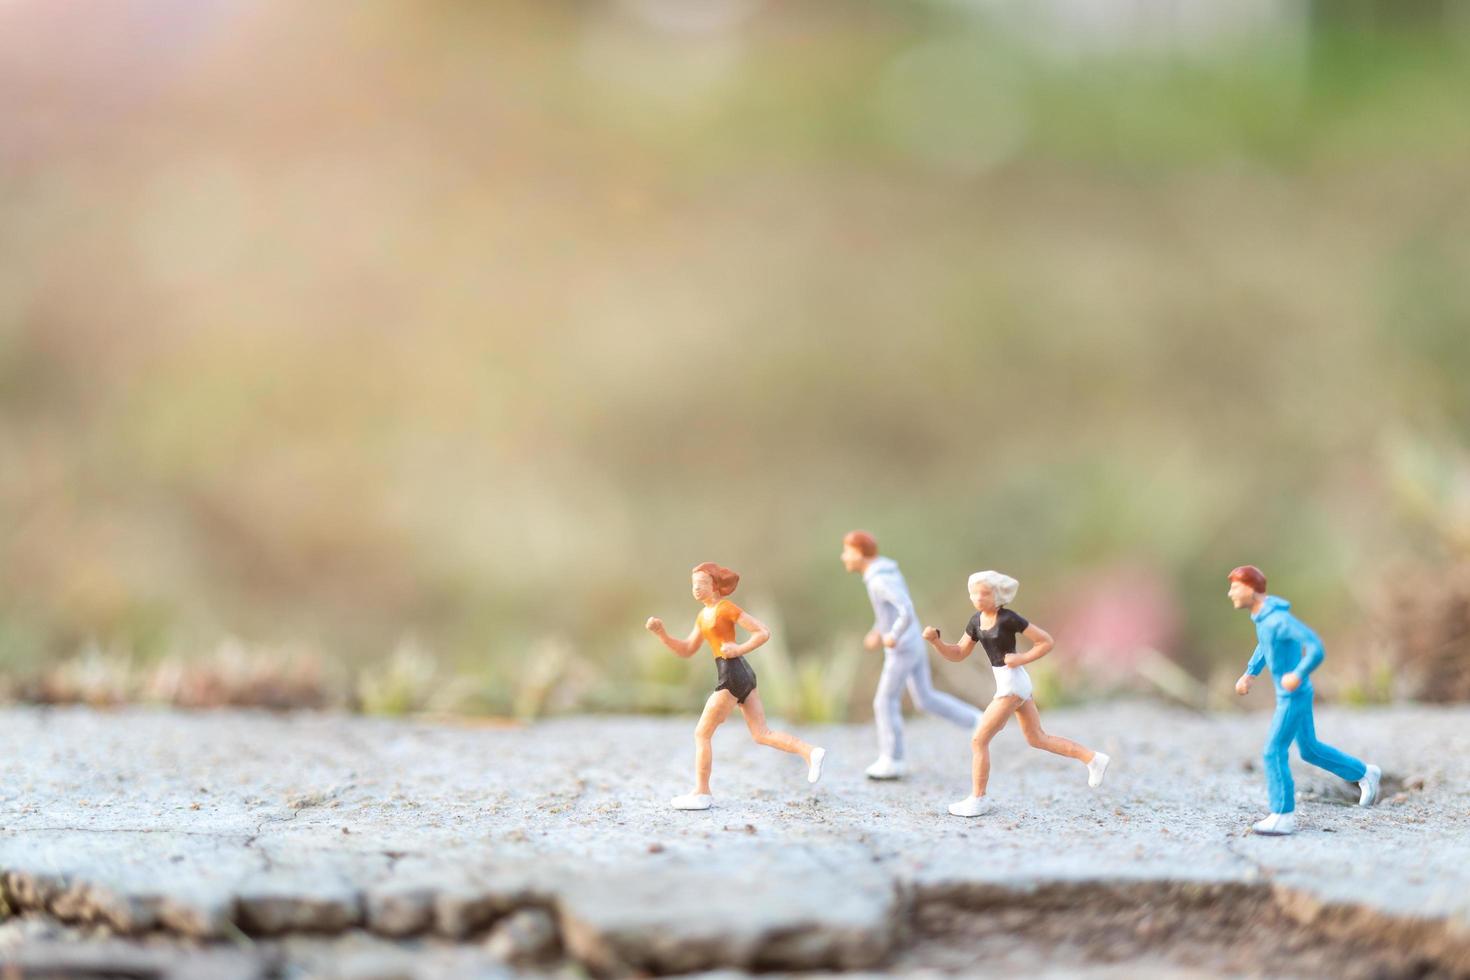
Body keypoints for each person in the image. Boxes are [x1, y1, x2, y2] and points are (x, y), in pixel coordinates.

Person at [923, 570, 1109, 817]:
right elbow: (958, 653)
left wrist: (1022, 657)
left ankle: (978, 799)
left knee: (979, 739)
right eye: (975, 593)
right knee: (1037, 738)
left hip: (1012, 685)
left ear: (997, 594)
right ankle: (1093, 758)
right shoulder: (976, 622)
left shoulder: (1008, 619)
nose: (978, 597)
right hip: (1011, 684)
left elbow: (1045, 641)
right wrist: (937, 642)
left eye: (985, 593)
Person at [646, 562, 826, 811]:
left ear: (716, 586)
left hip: (732, 673)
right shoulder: (703, 616)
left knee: (702, 733)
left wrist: (738, 649)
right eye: (693, 586)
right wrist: (662, 634)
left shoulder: (725, 608)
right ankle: (810, 751)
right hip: (739, 673)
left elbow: (763, 632)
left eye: (702, 585)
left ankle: (702, 792)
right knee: (762, 734)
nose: (696, 590)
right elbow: (687, 649)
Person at [1228, 564, 1380, 835]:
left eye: (1235, 588)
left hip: (1293, 695)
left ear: (1251, 589)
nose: (1231, 594)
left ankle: (1282, 814)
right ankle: (1364, 773)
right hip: (1290, 693)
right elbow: (1265, 645)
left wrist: (1298, 673)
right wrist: (1250, 674)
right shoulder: (1263, 618)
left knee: (1273, 750)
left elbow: (1315, 647)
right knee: (1309, 749)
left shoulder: (1279, 620)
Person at [840, 531, 982, 779]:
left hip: (902, 648)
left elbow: (904, 608)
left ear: (860, 554)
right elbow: (889, 613)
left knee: (884, 701)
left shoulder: (879, 580)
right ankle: (977, 721)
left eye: (847, 552)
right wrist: (878, 631)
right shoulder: (884, 573)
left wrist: (892, 634)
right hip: (912, 641)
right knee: (925, 698)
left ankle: (893, 759)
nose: (844, 557)